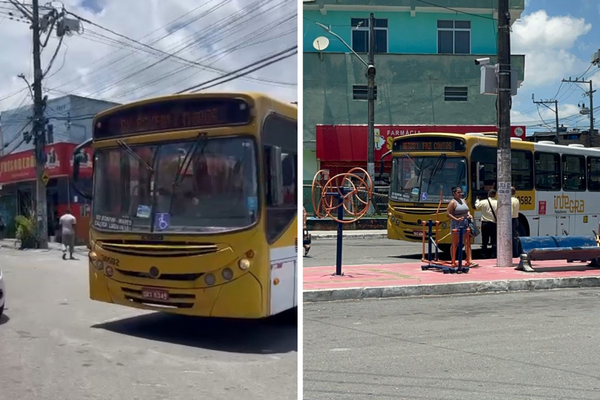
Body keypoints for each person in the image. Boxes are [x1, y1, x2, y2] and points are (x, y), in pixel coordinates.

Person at [446, 186, 477, 266]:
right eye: (458, 192)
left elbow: (467, 210)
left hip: (465, 223)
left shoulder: (464, 201)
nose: (460, 194)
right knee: (455, 243)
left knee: (467, 242)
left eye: (461, 192)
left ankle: (469, 260)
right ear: (454, 193)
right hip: (456, 225)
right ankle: (453, 260)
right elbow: (448, 214)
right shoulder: (453, 202)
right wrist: (456, 219)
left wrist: (469, 215)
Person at [475, 189, 498, 259]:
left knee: (484, 240)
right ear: (495, 195)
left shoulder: (483, 202)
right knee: (494, 240)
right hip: (493, 223)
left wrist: (477, 200)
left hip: (484, 223)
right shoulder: (497, 202)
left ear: (488, 194)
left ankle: (483, 254)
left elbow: (476, 206)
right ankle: (493, 254)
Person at [511, 187, 521, 257]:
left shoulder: (510, 200)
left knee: (511, 238)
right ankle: (515, 253)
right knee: (514, 237)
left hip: (511, 220)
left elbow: (510, 212)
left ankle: (513, 253)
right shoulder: (516, 200)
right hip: (516, 219)